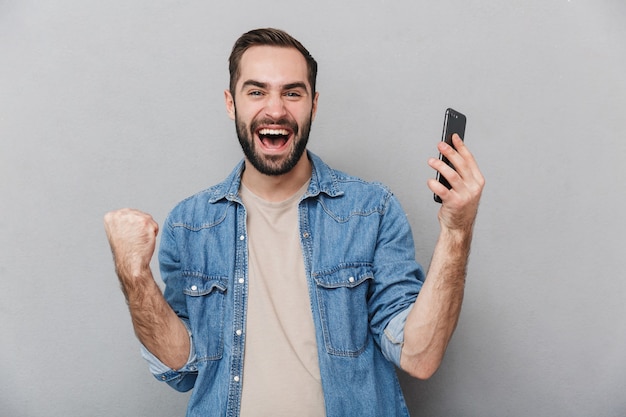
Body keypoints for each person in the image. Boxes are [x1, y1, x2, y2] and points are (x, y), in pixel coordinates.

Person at [104, 28, 484, 417]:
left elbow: (419, 357)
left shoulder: (372, 211)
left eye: (292, 92)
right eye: (256, 92)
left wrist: (457, 231)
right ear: (230, 103)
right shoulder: (189, 225)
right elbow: (181, 368)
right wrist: (134, 276)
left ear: (313, 104)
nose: (275, 110)